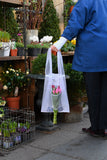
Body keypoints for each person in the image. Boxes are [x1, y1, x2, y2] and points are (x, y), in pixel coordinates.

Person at [51, 0, 107, 137]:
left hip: (92, 52)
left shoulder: (86, 1)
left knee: (94, 93)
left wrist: (60, 42)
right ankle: (104, 127)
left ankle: (97, 128)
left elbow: (76, 23)